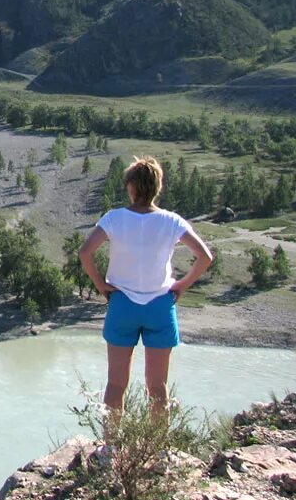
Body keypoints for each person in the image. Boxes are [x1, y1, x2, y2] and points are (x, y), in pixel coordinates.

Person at [79, 156, 212, 414]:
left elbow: (85, 252)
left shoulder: (114, 218)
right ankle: (158, 448)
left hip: (122, 305)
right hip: (160, 305)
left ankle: (111, 446)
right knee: (158, 386)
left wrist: (102, 286)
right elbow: (205, 257)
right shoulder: (172, 221)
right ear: (157, 187)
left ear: (131, 187)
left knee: (116, 384)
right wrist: (182, 285)